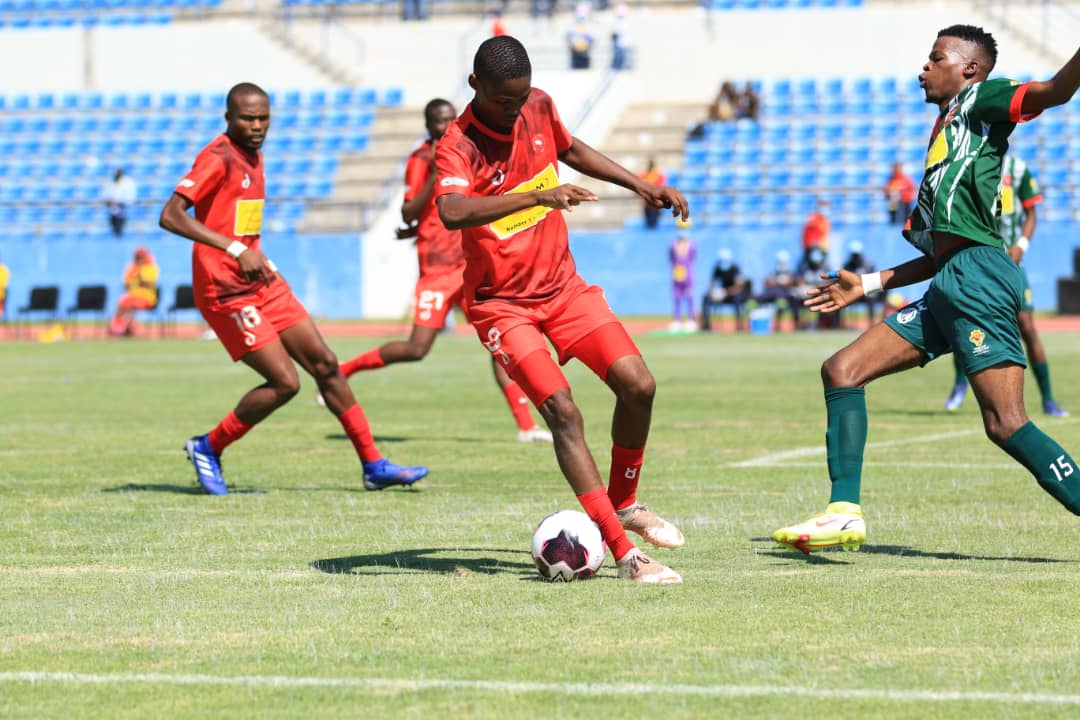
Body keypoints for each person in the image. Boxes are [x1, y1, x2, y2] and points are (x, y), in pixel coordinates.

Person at [773, 26, 1080, 554]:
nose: (924, 69)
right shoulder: (944, 133)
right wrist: (869, 283)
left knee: (1006, 423)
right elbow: (939, 252)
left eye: (936, 58)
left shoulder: (982, 99)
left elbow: (1055, 91)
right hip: (950, 280)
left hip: (979, 278)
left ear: (969, 69)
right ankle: (843, 513)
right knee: (842, 370)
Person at [434, 36, 689, 583]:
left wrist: (639, 185)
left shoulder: (538, 105)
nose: (514, 109)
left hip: (564, 290)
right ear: (476, 85)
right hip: (502, 306)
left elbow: (569, 148)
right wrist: (537, 196)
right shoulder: (458, 145)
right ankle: (625, 554)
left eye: (521, 96)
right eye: (503, 100)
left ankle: (623, 504)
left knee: (639, 385)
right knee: (564, 412)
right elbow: (452, 211)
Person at [159, 82, 428, 496]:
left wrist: (255, 255)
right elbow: (171, 215)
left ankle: (374, 465)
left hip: (259, 279)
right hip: (224, 290)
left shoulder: (254, 156)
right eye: (247, 118)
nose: (257, 126)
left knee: (326, 363)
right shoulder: (218, 157)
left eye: (263, 118)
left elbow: (238, 222)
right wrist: (235, 250)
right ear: (228, 118)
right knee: (285, 382)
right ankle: (208, 447)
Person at [329, 98, 552, 443]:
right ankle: (344, 371)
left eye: (451, 119)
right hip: (437, 268)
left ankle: (526, 426)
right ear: (427, 124)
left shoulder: (467, 152)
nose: (446, 126)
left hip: (472, 263)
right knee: (417, 348)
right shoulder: (421, 159)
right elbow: (409, 211)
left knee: (502, 340)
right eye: (439, 121)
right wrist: (434, 176)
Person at [944, 153, 1069, 416]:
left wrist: (1021, 245)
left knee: (1027, 326)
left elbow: (1032, 212)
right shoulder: (969, 165)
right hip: (977, 261)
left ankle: (1048, 399)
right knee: (966, 322)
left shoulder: (1017, 169)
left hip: (1011, 263)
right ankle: (959, 384)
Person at [109, 246, 159, 337]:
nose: (139, 259)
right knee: (122, 302)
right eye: (138, 257)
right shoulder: (131, 268)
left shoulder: (151, 267)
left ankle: (125, 327)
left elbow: (147, 283)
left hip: (147, 299)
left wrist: (139, 271)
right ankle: (120, 326)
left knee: (129, 304)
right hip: (132, 297)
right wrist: (134, 273)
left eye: (141, 257)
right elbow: (126, 285)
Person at [701, 248, 751, 332]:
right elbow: (712, 283)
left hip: (732, 294)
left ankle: (739, 326)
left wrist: (725, 292)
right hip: (722, 295)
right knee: (706, 298)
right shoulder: (717, 268)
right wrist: (713, 293)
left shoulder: (735, 268)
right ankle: (706, 326)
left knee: (737, 298)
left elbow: (739, 287)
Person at [836, 241, 881, 327]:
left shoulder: (868, 265)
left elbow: (873, 279)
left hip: (865, 292)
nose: (855, 257)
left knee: (871, 297)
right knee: (838, 297)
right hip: (851, 292)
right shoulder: (847, 265)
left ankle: (871, 323)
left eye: (857, 255)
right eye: (854, 255)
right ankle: (837, 324)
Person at [754, 249, 800, 331]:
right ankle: (772, 324)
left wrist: (779, 282)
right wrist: (779, 282)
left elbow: (793, 282)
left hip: (787, 295)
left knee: (789, 300)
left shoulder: (790, 273)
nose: (781, 265)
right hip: (775, 295)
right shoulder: (773, 272)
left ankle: (796, 325)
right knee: (775, 298)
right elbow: (767, 282)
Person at [668, 218, 696, 332]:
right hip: (677, 273)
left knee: (689, 296)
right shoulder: (673, 244)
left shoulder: (691, 245)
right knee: (677, 297)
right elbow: (671, 258)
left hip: (688, 274)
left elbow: (693, 257)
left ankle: (692, 320)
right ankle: (677, 320)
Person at [102, 167, 138, 238]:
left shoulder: (128, 182)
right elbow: (105, 195)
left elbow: (130, 196)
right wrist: (110, 201)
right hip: (113, 209)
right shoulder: (111, 182)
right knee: (114, 226)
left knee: (121, 224)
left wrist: (120, 202)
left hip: (124, 207)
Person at [638, 157, 666, 229]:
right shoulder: (645, 175)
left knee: (653, 224)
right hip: (648, 204)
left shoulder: (658, 176)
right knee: (650, 224)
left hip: (654, 204)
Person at [566, 4, 594, 70]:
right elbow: (568, 36)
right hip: (575, 51)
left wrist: (589, 46)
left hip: (585, 51)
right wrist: (570, 45)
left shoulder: (590, 25)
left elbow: (593, 38)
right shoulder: (572, 24)